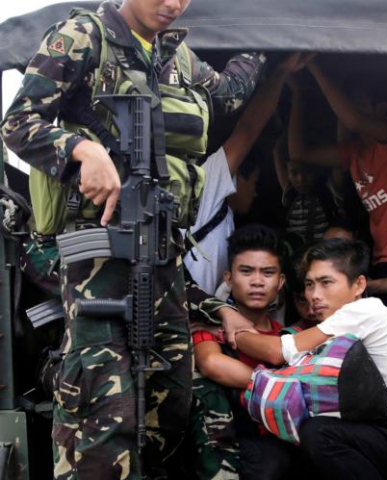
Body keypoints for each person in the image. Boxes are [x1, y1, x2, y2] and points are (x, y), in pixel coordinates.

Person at [0, 0, 262, 478]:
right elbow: (17, 123)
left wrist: (265, 48)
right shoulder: (84, 36)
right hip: (99, 252)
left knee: (170, 397)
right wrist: (81, 149)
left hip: (163, 251)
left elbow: (227, 94)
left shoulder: (179, 57)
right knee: (106, 405)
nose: (173, 5)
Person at [233, 239, 387, 480]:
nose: (314, 295)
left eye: (326, 283)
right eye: (309, 285)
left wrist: (232, 327)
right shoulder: (334, 332)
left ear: (359, 285)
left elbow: (276, 351)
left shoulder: (366, 312)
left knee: (319, 433)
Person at [287, 60, 387, 318]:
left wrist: (315, 66)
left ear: (380, 108)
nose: (345, 111)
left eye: (358, 103)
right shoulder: (355, 153)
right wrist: (298, 95)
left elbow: (354, 120)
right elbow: (298, 154)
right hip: (383, 264)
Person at [185, 52, 314, 294]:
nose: (254, 194)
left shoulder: (222, 215)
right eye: (253, 183)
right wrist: (281, 73)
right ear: (234, 177)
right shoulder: (205, 189)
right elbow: (248, 130)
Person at [191, 225, 308, 480]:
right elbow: (211, 362)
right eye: (246, 271)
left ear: (281, 281)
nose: (257, 281)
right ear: (228, 278)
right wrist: (288, 387)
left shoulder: (283, 336)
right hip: (232, 451)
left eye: (268, 272)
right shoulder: (209, 329)